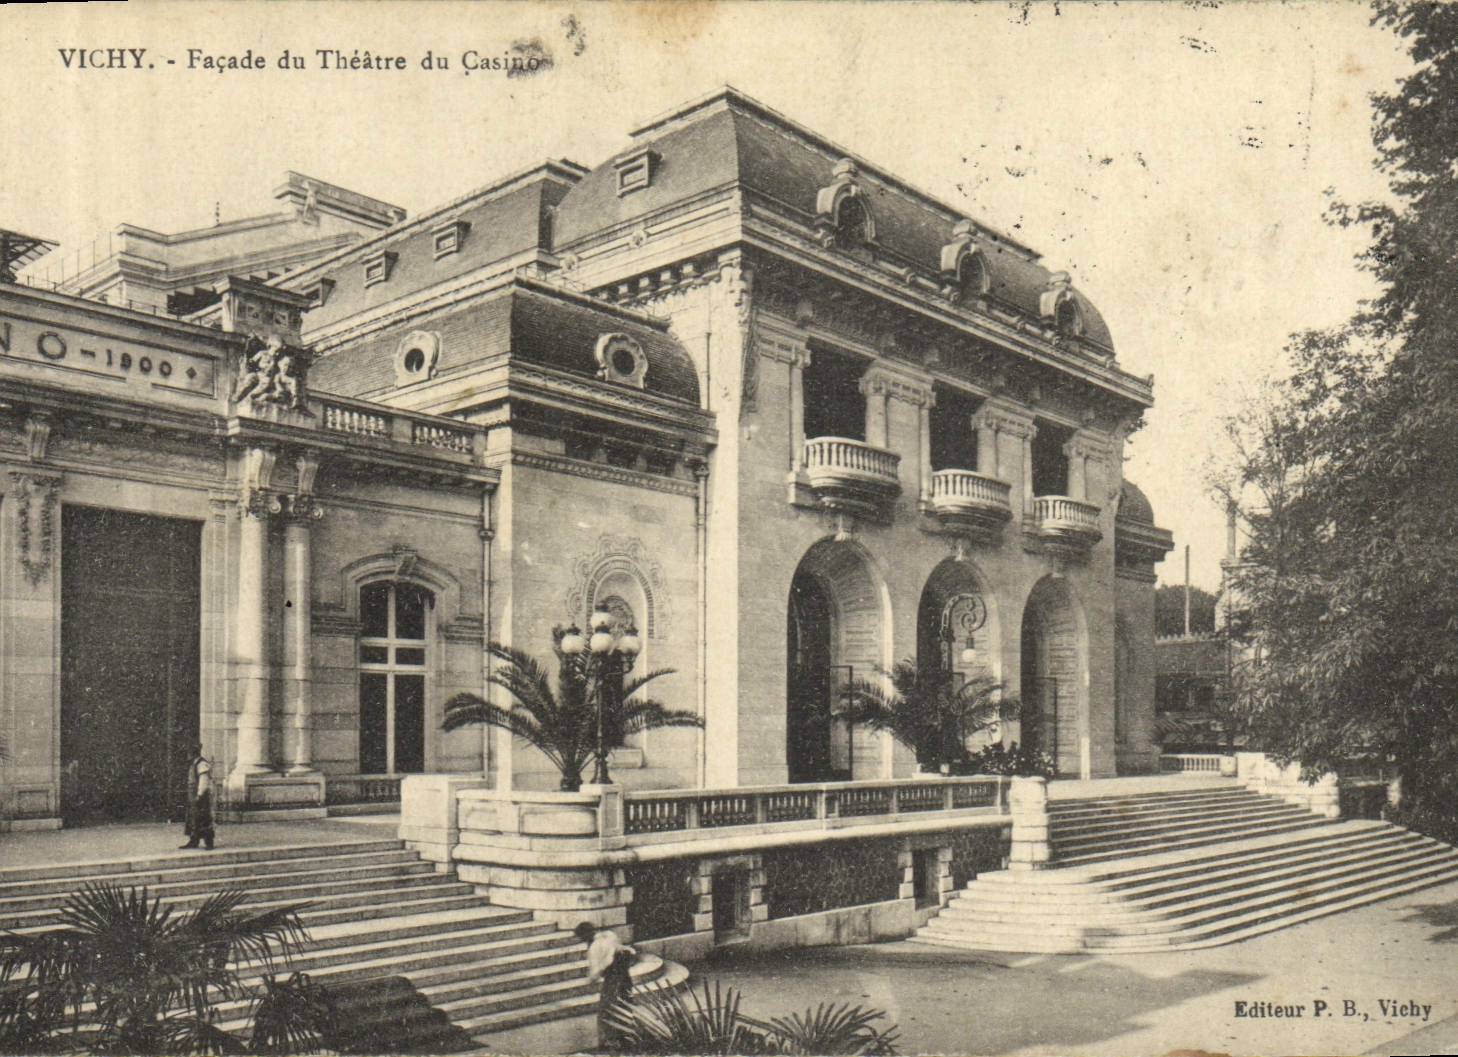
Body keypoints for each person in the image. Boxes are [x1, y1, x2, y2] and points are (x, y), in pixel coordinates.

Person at [574, 921, 635, 1051]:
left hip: (613, 979)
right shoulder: (609, 935)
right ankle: (627, 1038)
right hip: (625, 977)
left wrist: (590, 979)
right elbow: (624, 950)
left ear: (585, 935)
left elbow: (597, 970)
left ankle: (609, 1042)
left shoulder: (594, 947)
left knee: (607, 1010)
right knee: (625, 1005)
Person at [180, 741, 215, 850]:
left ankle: (209, 842)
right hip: (193, 796)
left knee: (203, 818)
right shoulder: (193, 764)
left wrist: (199, 795)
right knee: (193, 818)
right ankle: (193, 840)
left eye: (189, 752)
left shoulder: (201, 764)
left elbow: (204, 780)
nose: (188, 755)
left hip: (200, 797)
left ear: (193, 753)